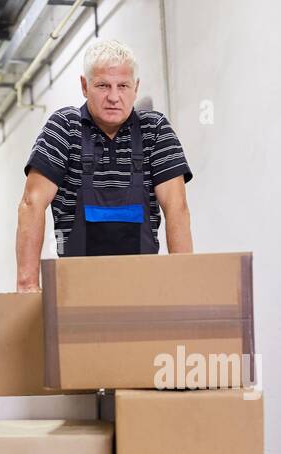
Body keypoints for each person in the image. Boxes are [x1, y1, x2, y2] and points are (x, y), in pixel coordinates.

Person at [16, 38, 193, 288]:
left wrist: (183, 285)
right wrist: (27, 286)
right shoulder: (64, 128)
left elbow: (177, 207)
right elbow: (31, 203)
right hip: (74, 288)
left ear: (136, 87)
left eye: (123, 86)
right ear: (84, 86)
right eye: (102, 85)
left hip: (143, 286)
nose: (113, 97)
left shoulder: (155, 130)